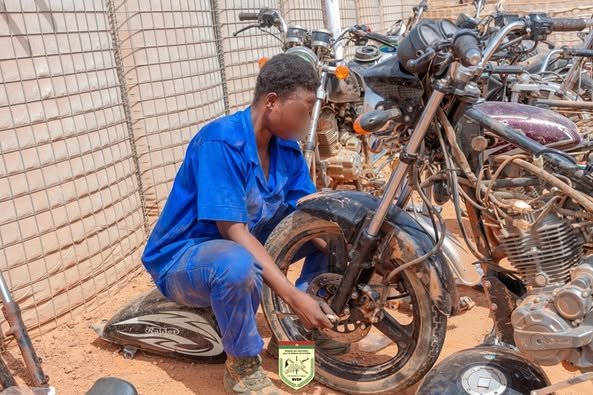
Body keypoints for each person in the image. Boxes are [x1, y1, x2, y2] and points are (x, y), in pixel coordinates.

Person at [141, 54, 336, 394]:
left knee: (327, 230)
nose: (307, 122)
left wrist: (339, 246)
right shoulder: (221, 143)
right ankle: (242, 365)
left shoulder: (286, 149)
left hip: (243, 247)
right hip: (187, 259)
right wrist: (291, 295)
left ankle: (291, 332)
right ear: (272, 101)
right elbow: (232, 232)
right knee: (238, 265)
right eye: (303, 111)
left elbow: (309, 212)